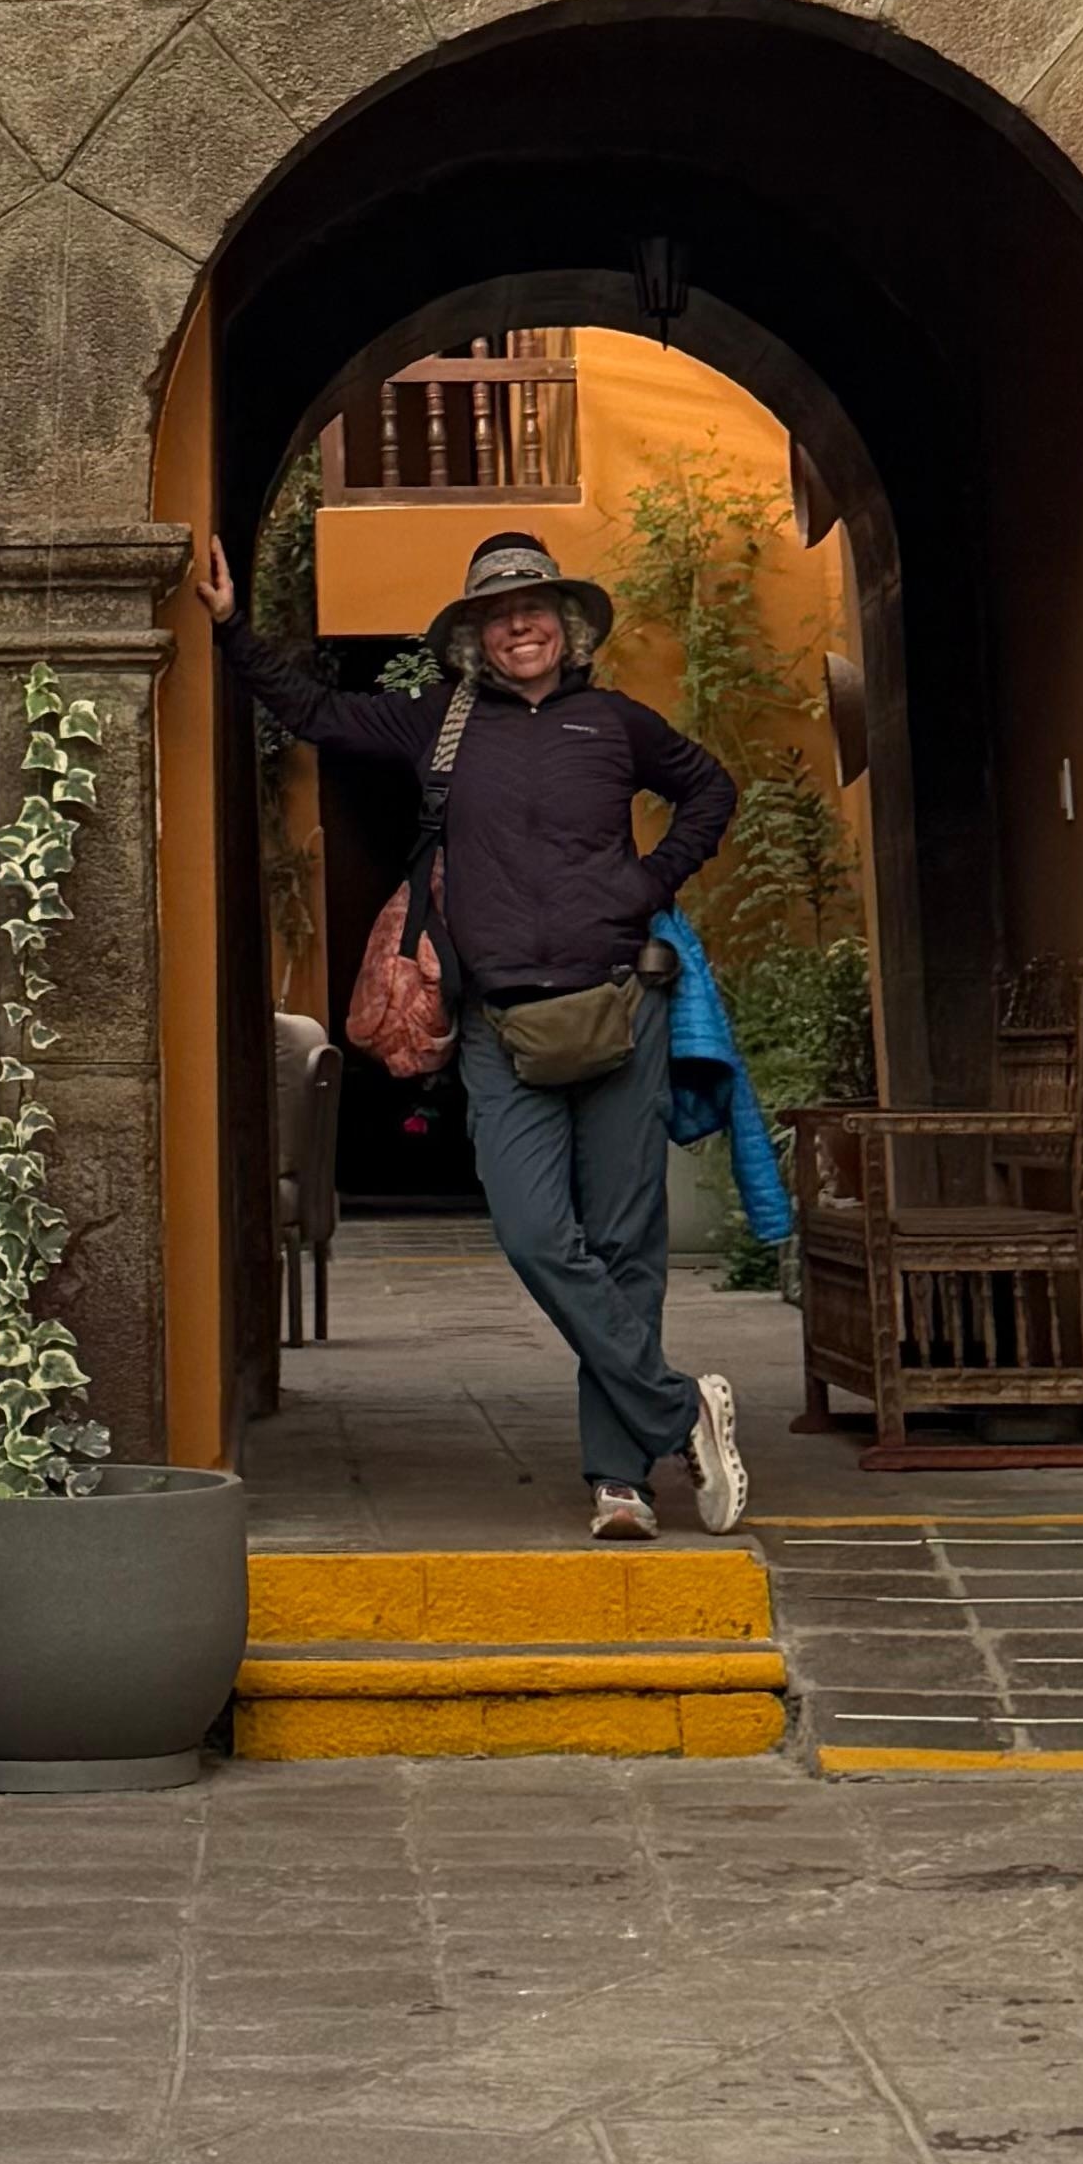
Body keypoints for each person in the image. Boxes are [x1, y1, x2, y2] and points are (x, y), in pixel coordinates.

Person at [204, 515, 749, 1543]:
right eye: (497, 616)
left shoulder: (618, 724)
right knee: (536, 1234)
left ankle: (619, 1480)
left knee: (624, 1244)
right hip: (499, 1024)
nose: (518, 628)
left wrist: (647, 883)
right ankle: (679, 1406)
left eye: (534, 609)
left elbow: (709, 790)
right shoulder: (439, 725)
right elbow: (317, 711)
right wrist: (234, 629)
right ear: (474, 639)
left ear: (566, 626)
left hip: (620, 1008)